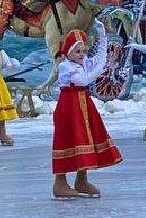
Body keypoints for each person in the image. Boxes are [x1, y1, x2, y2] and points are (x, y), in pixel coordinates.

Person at [52, 21, 122, 199]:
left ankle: (81, 179)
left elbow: (100, 59)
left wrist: (102, 36)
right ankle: (60, 182)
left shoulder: (83, 63)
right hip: (69, 106)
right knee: (67, 139)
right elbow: (83, 80)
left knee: (85, 137)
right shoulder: (66, 66)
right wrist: (98, 71)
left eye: (83, 51)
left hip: (84, 103)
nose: (82, 54)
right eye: (77, 51)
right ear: (69, 52)